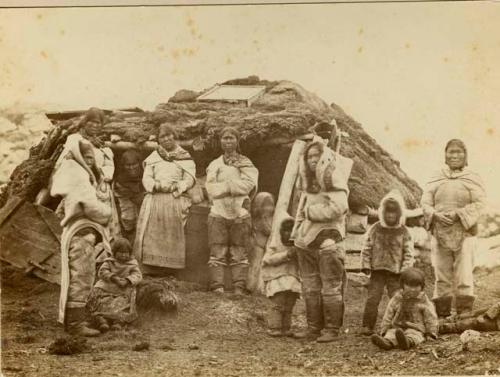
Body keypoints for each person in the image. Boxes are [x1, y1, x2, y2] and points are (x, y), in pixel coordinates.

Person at [292, 140, 353, 342]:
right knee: (310, 287)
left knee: (330, 286)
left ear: (324, 157)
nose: (313, 160)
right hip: (307, 241)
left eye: (316, 156)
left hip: (329, 240)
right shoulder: (307, 182)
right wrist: (298, 232)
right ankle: (313, 327)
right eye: (309, 156)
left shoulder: (333, 178)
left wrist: (311, 212)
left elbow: (339, 208)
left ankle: (332, 329)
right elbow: (301, 209)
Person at [50, 138, 112, 336]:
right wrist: (107, 211)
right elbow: (91, 206)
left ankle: (77, 318)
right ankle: (76, 324)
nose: (90, 162)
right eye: (87, 157)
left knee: (80, 274)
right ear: (78, 156)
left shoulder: (74, 172)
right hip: (81, 232)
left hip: (79, 230)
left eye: (92, 158)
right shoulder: (78, 176)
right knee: (82, 275)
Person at [421, 139, 486, 317]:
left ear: (465, 156)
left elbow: (480, 203)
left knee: (464, 271)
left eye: (459, 152)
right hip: (440, 231)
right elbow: (425, 202)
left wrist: (459, 214)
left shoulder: (472, 177)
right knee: (441, 271)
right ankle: (442, 312)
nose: (455, 155)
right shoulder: (436, 177)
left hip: (465, 232)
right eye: (451, 152)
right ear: (445, 155)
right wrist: (434, 214)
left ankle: (464, 311)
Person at [134, 124, 196, 273]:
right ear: (158, 140)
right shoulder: (154, 158)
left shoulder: (184, 157)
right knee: (151, 232)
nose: (167, 139)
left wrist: (178, 186)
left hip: (174, 199)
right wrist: (157, 186)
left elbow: (189, 179)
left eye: (169, 135)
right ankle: (150, 268)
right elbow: (146, 178)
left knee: (171, 233)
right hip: (155, 197)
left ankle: (169, 269)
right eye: (163, 136)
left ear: (174, 136)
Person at [206, 127, 259, 294]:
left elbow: (249, 184)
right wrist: (233, 187)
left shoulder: (246, 163)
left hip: (240, 212)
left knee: (239, 249)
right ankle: (218, 286)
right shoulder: (214, 164)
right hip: (218, 211)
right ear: (220, 141)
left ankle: (238, 287)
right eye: (224, 138)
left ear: (237, 141)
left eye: (231, 138)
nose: (228, 141)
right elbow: (211, 188)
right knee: (217, 249)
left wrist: (226, 187)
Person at [53, 107, 121, 238]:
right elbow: (67, 161)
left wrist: (104, 175)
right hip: (80, 186)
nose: (95, 125)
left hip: (100, 189)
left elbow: (108, 165)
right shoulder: (75, 139)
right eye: (92, 121)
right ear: (85, 122)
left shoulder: (101, 145)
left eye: (99, 123)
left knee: (100, 225)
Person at [359, 190, 414, 335]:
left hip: (395, 273)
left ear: (399, 214)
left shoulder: (404, 232)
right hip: (377, 271)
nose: (390, 215)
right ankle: (367, 325)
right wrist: (365, 265)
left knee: (396, 299)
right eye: (388, 212)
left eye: (394, 212)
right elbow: (367, 247)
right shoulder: (375, 228)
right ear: (383, 212)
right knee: (373, 298)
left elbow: (409, 253)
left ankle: (398, 324)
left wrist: (405, 270)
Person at [371, 268, 438, 350]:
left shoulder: (423, 301)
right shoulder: (397, 298)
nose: (413, 289)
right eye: (409, 286)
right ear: (403, 285)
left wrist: (431, 333)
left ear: (422, 286)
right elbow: (389, 313)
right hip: (397, 327)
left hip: (416, 328)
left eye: (416, 286)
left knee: (415, 336)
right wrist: (384, 329)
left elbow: (431, 318)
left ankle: (407, 342)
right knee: (391, 333)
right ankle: (387, 343)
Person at [87, 237, 143, 332]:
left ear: (130, 253)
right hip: (108, 285)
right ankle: (102, 321)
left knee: (122, 303)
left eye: (126, 253)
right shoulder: (109, 261)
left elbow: (137, 275)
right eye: (121, 252)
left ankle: (118, 322)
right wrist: (113, 277)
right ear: (114, 252)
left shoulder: (132, 264)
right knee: (99, 299)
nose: (124, 255)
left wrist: (128, 280)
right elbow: (102, 271)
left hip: (123, 289)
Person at [261, 213, 301, 337]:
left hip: (293, 279)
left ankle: (286, 327)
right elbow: (267, 260)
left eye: (291, 231)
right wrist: (285, 255)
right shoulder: (274, 245)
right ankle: (275, 327)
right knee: (278, 305)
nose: (288, 234)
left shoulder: (297, 246)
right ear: (280, 232)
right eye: (286, 231)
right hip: (277, 278)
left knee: (289, 305)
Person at [113, 150, 145, 243]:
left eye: (134, 164)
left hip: (140, 199)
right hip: (128, 201)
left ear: (139, 163)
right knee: (128, 219)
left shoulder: (145, 173)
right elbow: (135, 198)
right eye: (128, 165)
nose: (131, 167)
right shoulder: (121, 179)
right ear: (123, 166)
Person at [247, 192, 275, 293]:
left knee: (265, 266)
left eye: (270, 205)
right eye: (265, 206)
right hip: (258, 245)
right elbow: (266, 230)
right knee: (255, 265)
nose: (268, 208)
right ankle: (252, 286)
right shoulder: (257, 218)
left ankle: (263, 288)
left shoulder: (272, 218)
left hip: (268, 246)